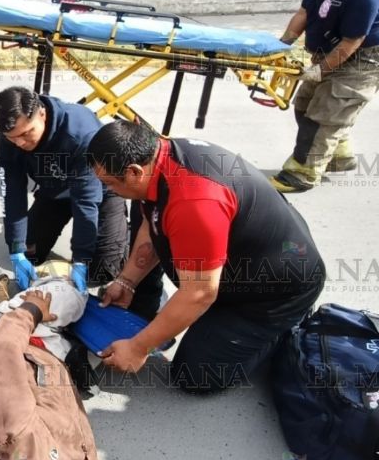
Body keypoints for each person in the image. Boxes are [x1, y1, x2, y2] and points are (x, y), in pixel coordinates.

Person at [85, 121, 327, 393]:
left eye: (109, 183)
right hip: (241, 264)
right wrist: (127, 280)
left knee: (196, 376)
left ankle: (287, 327)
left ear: (134, 171)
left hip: (275, 291)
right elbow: (151, 222)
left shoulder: (193, 201)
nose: (109, 191)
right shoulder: (158, 158)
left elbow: (200, 294)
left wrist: (138, 348)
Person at [0, 278, 156, 460]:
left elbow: (0, 350)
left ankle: (3, 303)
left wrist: (32, 310)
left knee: (72, 291)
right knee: (107, 352)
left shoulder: (13, 436)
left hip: (10, 336)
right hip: (53, 370)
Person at [0, 86, 162, 319]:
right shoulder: (7, 144)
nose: (20, 143)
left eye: (26, 133)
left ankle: (123, 236)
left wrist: (81, 259)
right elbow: (13, 195)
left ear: (41, 113)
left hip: (101, 191)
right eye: (13, 137)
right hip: (55, 190)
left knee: (101, 270)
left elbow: (86, 201)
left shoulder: (79, 132)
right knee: (30, 252)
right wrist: (16, 249)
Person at [271, 0, 379, 193]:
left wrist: (320, 71)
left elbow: (352, 41)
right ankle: (339, 155)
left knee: (325, 114)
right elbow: (303, 13)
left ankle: (301, 173)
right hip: (329, 51)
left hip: (362, 60)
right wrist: (281, 47)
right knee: (304, 104)